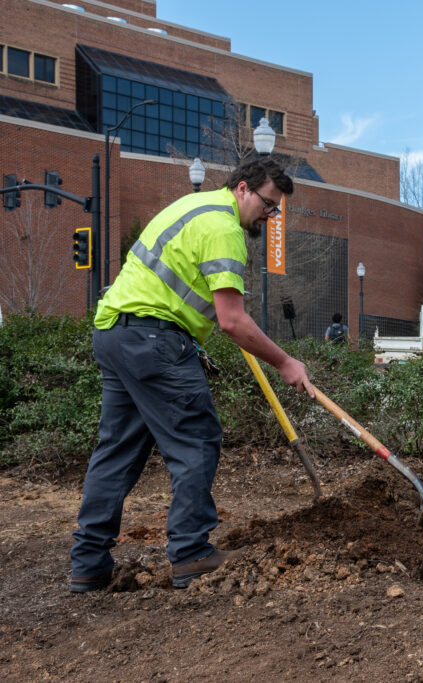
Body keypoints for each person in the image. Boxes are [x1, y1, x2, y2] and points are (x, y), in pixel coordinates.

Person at [70, 157, 315, 593]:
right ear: (243, 188)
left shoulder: (192, 206)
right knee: (197, 437)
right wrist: (285, 362)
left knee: (117, 451)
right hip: (154, 340)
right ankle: (191, 553)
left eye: (276, 208)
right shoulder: (224, 229)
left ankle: (89, 563)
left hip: (114, 334)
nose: (270, 214)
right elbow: (233, 321)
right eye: (269, 203)